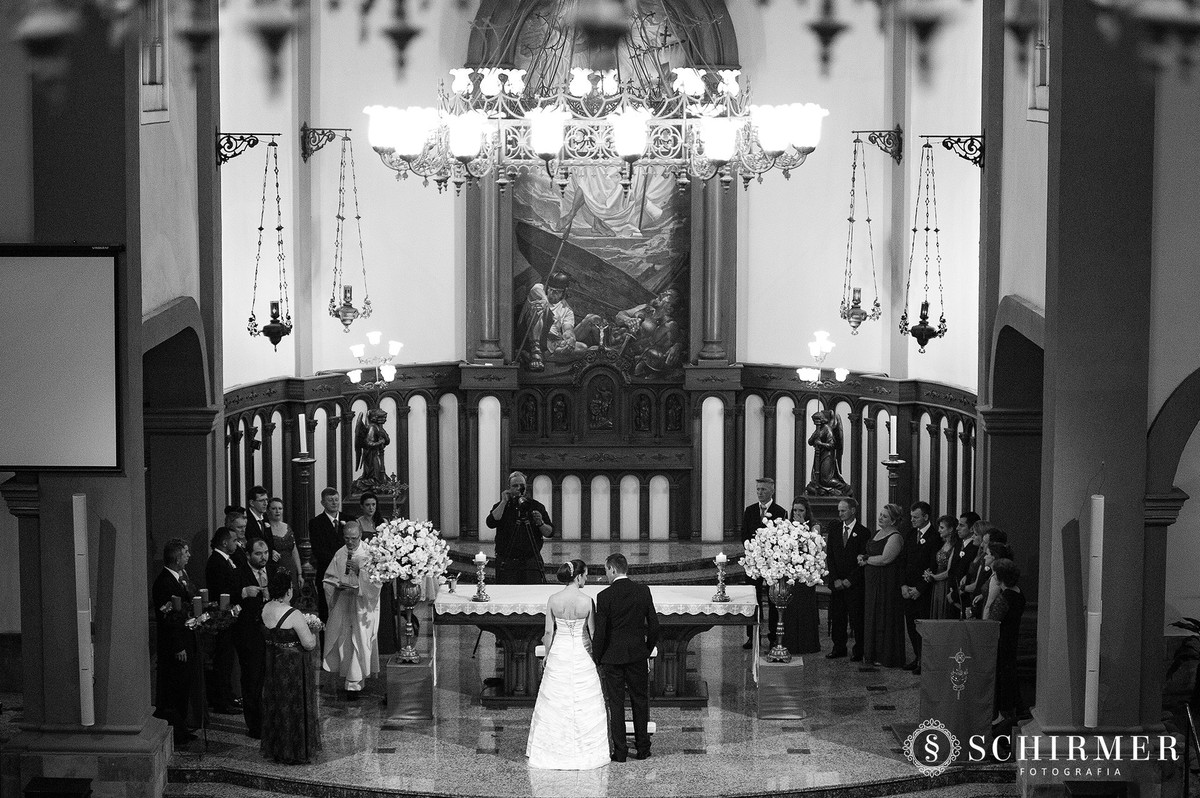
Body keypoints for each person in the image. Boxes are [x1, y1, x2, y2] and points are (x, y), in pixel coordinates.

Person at [526, 559, 610, 770]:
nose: (586, 579)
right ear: (578, 576)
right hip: (580, 653)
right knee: (583, 700)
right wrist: (594, 657)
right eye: (586, 575)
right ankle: (586, 749)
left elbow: (548, 632)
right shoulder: (587, 600)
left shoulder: (553, 599)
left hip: (559, 652)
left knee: (556, 700)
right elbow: (592, 633)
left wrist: (546, 654)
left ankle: (552, 748)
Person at [594, 553, 659, 763]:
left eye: (606, 571)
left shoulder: (604, 596)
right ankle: (643, 749)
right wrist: (647, 649)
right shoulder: (642, 591)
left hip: (613, 657)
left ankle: (620, 752)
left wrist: (598, 658)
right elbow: (654, 625)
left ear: (612, 569)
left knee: (616, 704)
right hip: (637, 655)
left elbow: (601, 633)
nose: (606, 575)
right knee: (640, 701)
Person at [260, 569, 321, 764]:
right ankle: (295, 751)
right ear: (288, 591)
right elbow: (308, 644)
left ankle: (278, 749)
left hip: (273, 665)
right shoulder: (293, 614)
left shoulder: (265, 609)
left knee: (278, 706)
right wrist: (313, 631)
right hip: (293, 668)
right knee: (294, 707)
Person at [322, 521, 382, 697]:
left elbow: (377, 583)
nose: (350, 543)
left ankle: (356, 681)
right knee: (345, 640)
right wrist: (335, 585)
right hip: (344, 602)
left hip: (363, 606)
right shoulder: (340, 553)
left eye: (353, 539)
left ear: (361, 536)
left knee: (360, 640)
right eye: (347, 538)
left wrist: (360, 571)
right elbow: (329, 577)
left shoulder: (370, 554)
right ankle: (351, 680)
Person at [152, 538, 203, 745]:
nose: (189, 555)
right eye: (186, 552)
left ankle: (181, 728)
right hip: (176, 646)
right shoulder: (165, 582)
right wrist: (178, 646)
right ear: (176, 557)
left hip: (187, 639)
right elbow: (169, 619)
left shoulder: (181, 577)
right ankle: (175, 732)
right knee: (174, 689)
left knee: (184, 687)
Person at [233, 538, 278, 739]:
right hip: (249, 636)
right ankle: (255, 726)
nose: (264, 557)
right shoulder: (238, 573)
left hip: (273, 634)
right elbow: (227, 597)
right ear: (249, 554)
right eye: (258, 554)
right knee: (252, 681)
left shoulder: (275, 571)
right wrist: (243, 592)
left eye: (266, 552)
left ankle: (273, 720)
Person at [741, 477, 788, 649]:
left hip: (772, 565)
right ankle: (752, 636)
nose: (760, 492)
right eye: (758, 489)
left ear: (772, 491)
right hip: (753, 563)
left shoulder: (780, 512)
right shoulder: (750, 510)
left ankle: (774, 636)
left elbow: (780, 538)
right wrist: (753, 552)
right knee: (753, 600)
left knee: (774, 600)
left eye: (764, 490)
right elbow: (744, 535)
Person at [859, 504, 907, 668]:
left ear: (893, 520)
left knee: (884, 616)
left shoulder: (895, 537)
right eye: (880, 515)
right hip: (872, 582)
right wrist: (864, 557)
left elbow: (886, 559)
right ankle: (871, 654)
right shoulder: (878, 532)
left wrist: (866, 560)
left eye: (885, 516)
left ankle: (886, 655)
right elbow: (872, 552)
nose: (880, 518)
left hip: (886, 583)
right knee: (873, 615)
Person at [486, 471, 554, 584]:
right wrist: (503, 502)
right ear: (509, 487)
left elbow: (550, 533)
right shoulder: (501, 506)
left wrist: (540, 523)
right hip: (507, 561)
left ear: (526, 487)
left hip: (531, 561)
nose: (519, 488)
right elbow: (491, 523)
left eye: (522, 485)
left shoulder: (536, 506)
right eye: (515, 485)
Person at [204, 526, 242, 715]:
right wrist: (241, 593)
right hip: (223, 618)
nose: (237, 543)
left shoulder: (226, 560)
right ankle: (221, 700)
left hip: (229, 617)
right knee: (223, 660)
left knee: (227, 660)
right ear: (225, 542)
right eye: (234, 540)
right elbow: (222, 590)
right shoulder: (216, 562)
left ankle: (227, 696)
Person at [985, 558, 1025, 724]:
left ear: (1000, 578)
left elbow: (993, 622)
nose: (992, 575)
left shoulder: (1005, 597)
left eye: (995, 573)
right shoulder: (1018, 593)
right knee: (1008, 675)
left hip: (1002, 641)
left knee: (1002, 677)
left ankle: (1002, 713)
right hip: (1012, 639)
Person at [827, 497, 867, 661]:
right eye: (839, 510)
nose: (840, 513)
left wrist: (851, 579)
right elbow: (830, 556)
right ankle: (839, 648)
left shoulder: (863, 532)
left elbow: (864, 560)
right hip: (837, 583)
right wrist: (835, 578)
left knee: (857, 619)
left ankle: (859, 650)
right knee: (838, 617)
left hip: (854, 584)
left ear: (852, 510)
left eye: (843, 510)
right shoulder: (835, 529)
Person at [901, 500, 938, 674]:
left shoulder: (934, 537)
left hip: (923, 591)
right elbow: (903, 561)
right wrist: (903, 585)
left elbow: (933, 565)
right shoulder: (910, 534)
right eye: (911, 517)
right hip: (907, 589)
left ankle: (925, 661)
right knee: (911, 626)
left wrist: (919, 588)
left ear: (926, 516)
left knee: (923, 627)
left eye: (916, 517)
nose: (912, 520)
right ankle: (917, 657)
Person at [784, 497, 821, 655]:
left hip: (807, 574)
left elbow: (813, 546)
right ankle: (790, 643)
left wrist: (801, 528)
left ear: (807, 512)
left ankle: (807, 643)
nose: (797, 513)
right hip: (791, 573)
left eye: (801, 510)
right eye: (795, 510)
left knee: (805, 608)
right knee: (790, 608)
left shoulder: (814, 526)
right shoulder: (786, 526)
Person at [310, 488, 354, 622]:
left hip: (349, 573)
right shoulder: (316, 523)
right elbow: (319, 550)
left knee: (348, 613)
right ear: (322, 502)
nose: (334, 503)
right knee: (327, 613)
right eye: (330, 500)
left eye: (336, 499)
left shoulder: (349, 519)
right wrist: (340, 561)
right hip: (327, 572)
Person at [805, 410, 851, 495]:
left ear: (821, 420)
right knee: (816, 480)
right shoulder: (819, 429)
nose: (815, 423)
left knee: (826, 479)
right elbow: (810, 442)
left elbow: (832, 445)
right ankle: (824, 491)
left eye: (816, 421)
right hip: (819, 456)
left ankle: (845, 488)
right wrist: (815, 436)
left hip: (827, 456)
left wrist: (821, 444)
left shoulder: (827, 429)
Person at [923, 515, 959, 619]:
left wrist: (933, 577)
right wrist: (928, 573)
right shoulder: (942, 543)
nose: (939, 530)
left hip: (946, 583)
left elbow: (949, 571)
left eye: (942, 528)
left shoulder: (955, 546)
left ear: (951, 529)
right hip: (937, 584)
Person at [946, 511, 981, 618]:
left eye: (962, 525)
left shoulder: (976, 548)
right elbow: (952, 569)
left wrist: (956, 594)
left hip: (966, 598)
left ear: (971, 528)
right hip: (952, 595)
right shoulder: (959, 543)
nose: (957, 528)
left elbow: (971, 575)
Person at [265, 497, 302, 587]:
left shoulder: (287, 527)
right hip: (274, 568)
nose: (277, 511)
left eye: (280, 508)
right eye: (274, 508)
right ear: (268, 511)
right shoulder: (265, 528)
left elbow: (294, 550)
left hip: (290, 566)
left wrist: (300, 574)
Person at [353, 408, 391, 489]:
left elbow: (387, 440)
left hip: (377, 453)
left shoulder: (378, 427)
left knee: (380, 470)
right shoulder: (372, 428)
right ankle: (374, 483)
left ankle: (379, 483)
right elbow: (368, 443)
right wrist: (379, 442)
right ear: (376, 418)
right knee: (375, 471)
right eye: (383, 418)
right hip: (371, 454)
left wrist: (384, 439)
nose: (385, 420)